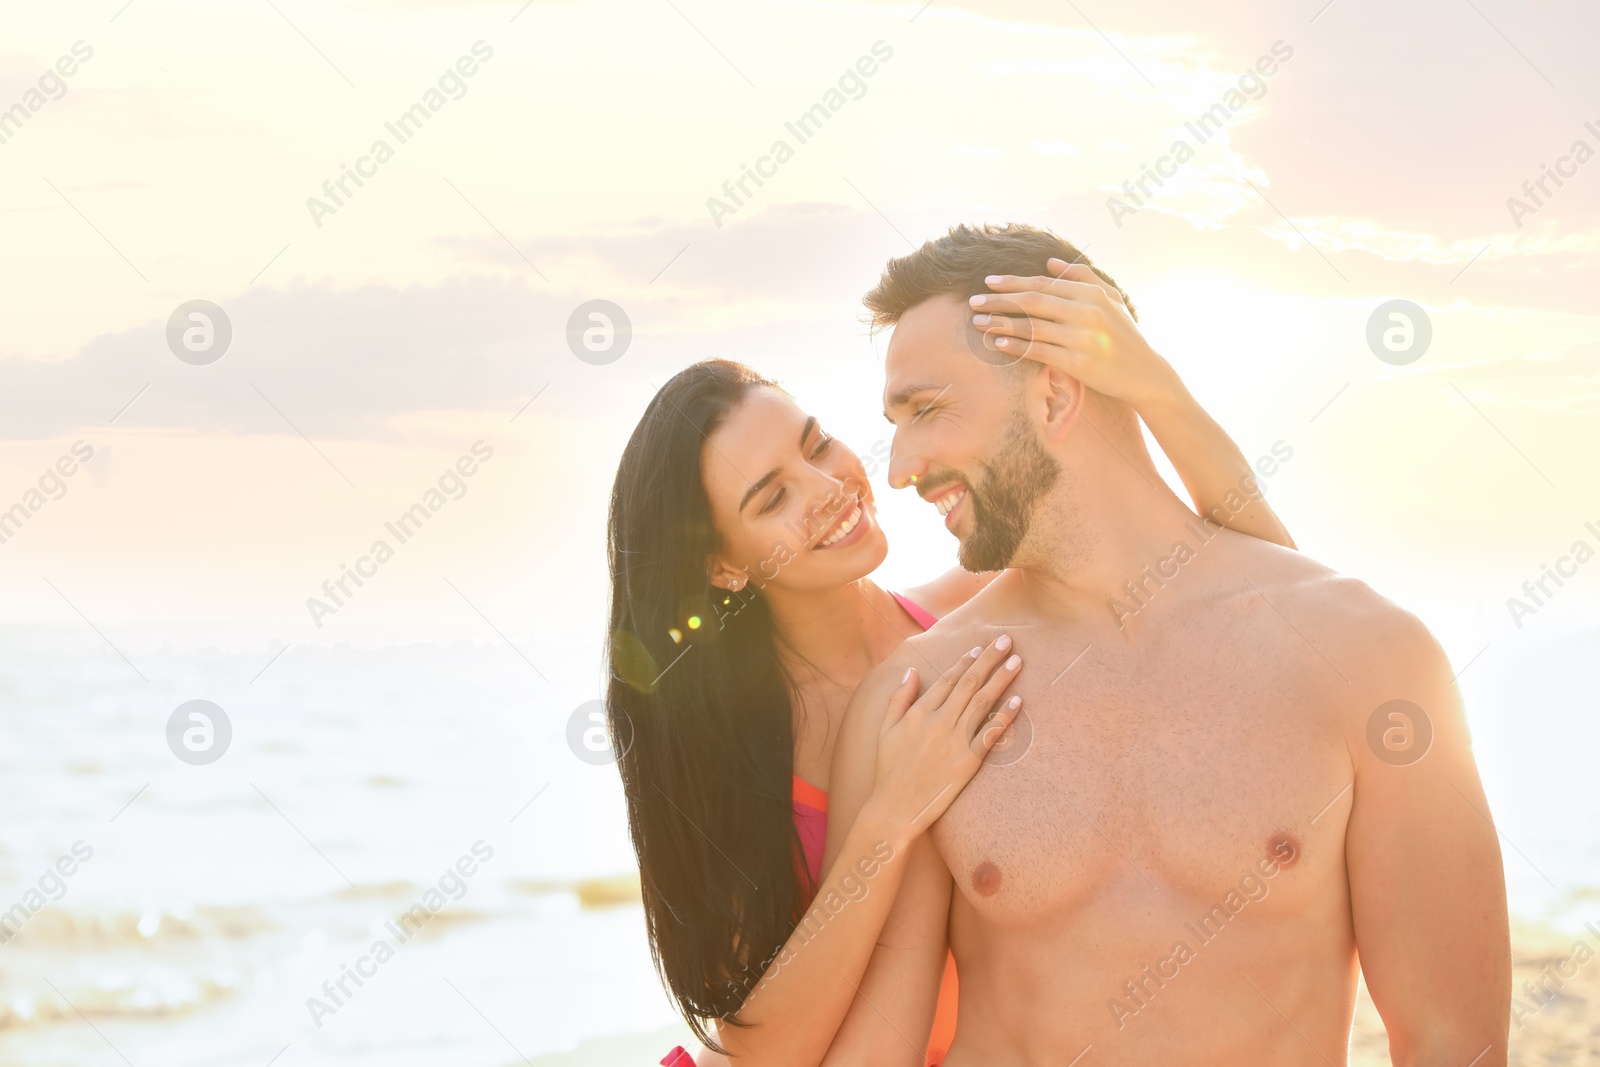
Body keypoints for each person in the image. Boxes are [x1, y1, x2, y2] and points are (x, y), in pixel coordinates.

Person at [822, 223, 1511, 1065]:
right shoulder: (920, 697)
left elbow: (1453, 1043)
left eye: (926, 410)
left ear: (1054, 393)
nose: (898, 468)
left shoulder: (1370, 659)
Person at [606, 237, 1298, 1067]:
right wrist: (887, 818)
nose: (830, 489)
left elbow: (1263, 591)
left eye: (816, 444)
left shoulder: (983, 618)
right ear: (723, 565)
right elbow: (760, 1048)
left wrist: (1151, 384)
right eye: (773, 497)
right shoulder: (722, 742)